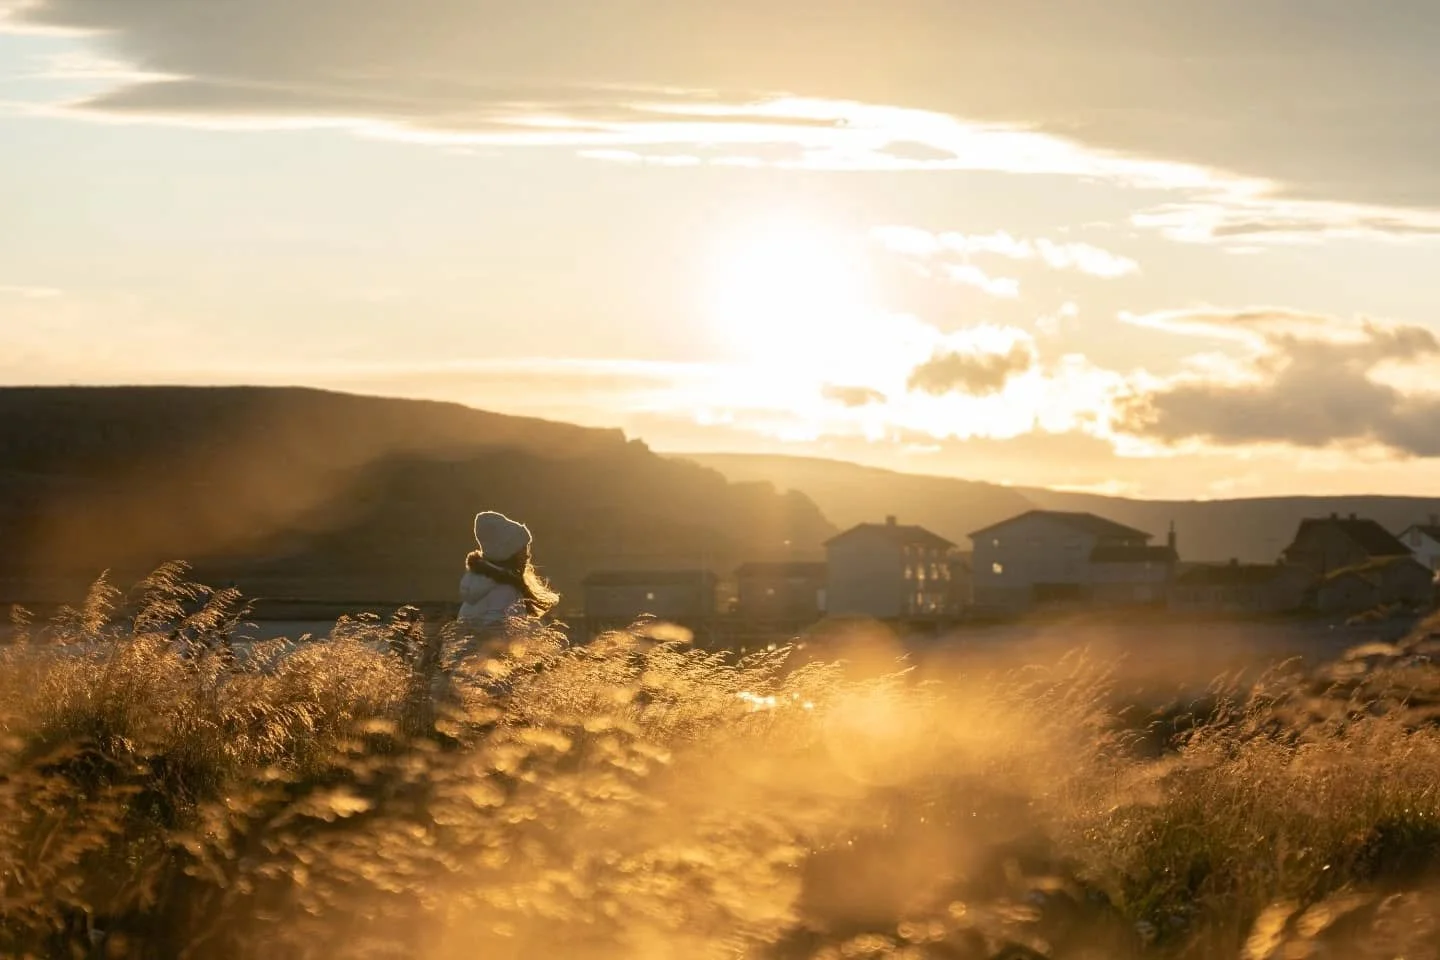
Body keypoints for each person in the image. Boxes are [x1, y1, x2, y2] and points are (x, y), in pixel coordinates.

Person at [458, 511, 560, 627]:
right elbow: (496, 636)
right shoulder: (504, 591)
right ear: (509, 554)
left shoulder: (480, 587)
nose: (528, 555)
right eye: (523, 550)